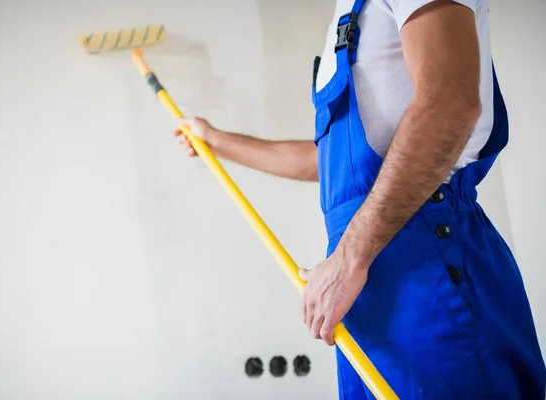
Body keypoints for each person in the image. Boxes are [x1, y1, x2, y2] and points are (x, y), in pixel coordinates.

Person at [173, 0, 546, 398]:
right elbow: (337, 165)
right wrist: (215, 140)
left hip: (427, 273)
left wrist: (349, 259)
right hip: (371, 296)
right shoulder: (350, 13)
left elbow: (449, 103)